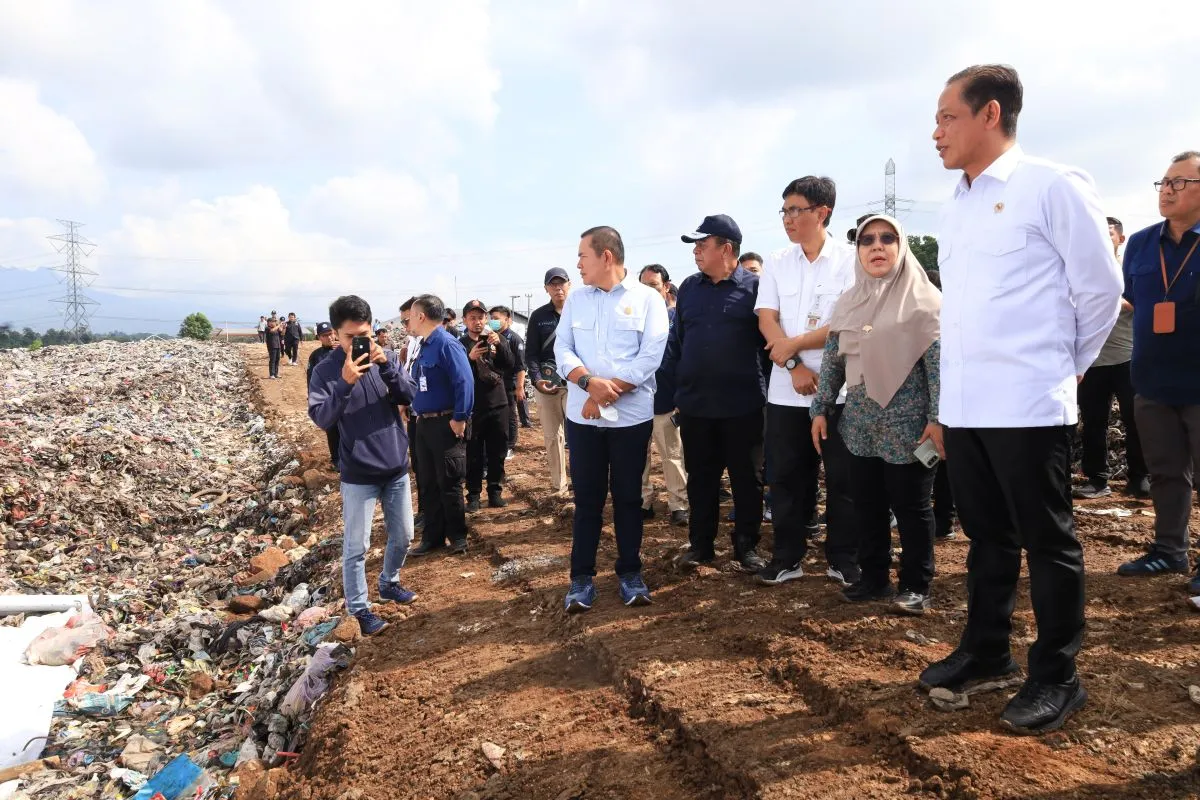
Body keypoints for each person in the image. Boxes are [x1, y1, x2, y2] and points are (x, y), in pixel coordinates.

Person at [919, 64, 1122, 735]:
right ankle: (986, 650)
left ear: (990, 113)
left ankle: (1057, 674)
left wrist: (1062, 370)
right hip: (971, 406)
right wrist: (948, 406)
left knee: (1048, 540)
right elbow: (961, 315)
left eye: (948, 116)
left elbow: (1098, 290)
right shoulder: (958, 202)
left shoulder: (1050, 185)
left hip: (1030, 403)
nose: (936, 131)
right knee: (986, 538)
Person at [811, 215, 943, 615]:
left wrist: (938, 421)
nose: (877, 246)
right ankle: (874, 579)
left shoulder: (927, 302)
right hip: (860, 425)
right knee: (865, 505)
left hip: (910, 428)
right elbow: (833, 363)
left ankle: (916, 584)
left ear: (901, 246)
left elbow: (939, 371)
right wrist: (820, 408)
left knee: (912, 508)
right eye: (867, 240)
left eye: (887, 238)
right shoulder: (849, 302)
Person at [557, 226, 669, 612]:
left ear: (606, 257)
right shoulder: (576, 301)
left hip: (629, 420)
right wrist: (589, 384)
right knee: (587, 500)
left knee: (628, 498)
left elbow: (650, 356)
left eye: (583, 256)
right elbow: (562, 350)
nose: (578, 264)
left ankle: (630, 573)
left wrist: (607, 391)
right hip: (583, 419)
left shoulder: (648, 299)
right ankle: (581, 580)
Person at [755, 176, 858, 587]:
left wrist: (794, 344)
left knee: (844, 479)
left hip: (841, 390)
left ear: (822, 213)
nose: (788, 219)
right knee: (785, 478)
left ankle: (843, 558)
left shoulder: (851, 261)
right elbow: (767, 318)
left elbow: (846, 323)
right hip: (786, 390)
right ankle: (787, 556)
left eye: (796, 210)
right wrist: (795, 362)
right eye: (784, 211)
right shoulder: (779, 261)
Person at [308, 295, 419, 637]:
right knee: (356, 546)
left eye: (365, 335)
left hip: (396, 465)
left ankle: (389, 581)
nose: (359, 343)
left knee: (403, 536)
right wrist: (345, 382)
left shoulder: (383, 359)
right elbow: (321, 417)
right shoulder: (326, 371)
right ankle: (360, 608)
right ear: (336, 336)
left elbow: (409, 394)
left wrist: (386, 365)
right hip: (358, 473)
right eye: (350, 337)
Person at [664, 215, 768, 572]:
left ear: (726, 249)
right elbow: (677, 343)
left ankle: (746, 547)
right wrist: (675, 391)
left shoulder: (756, 288)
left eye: (701, 245)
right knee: (702, 479)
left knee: (747, 481)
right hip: (696, 406)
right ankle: (701, 545)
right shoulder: (690, 288)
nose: (695, 251)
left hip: (744, 406)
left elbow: (769, 347)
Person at [1117, 151, 1200, 591]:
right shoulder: (1142, 243)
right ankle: (1170, 550)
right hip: (1152, 380)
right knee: (1166, 472)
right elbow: (1133, 297)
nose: (1167, 190)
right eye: (1164, 182)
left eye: (1180, 182)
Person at [1074, 217, 1149, 500]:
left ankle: (1140, 477)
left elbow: (1143, 303)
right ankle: (1096, 479)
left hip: (1128, 356)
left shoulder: (1128, 271)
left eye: (1108, 234)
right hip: (1092, 360)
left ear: (1121, 239)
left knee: (1135, 419)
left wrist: (1111, 298)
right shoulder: (1080, 273)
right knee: (1093, 422)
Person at [407, 294, 475, 556]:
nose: (409, 321)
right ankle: (432, 538)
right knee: (428, 482)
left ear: (422, 316)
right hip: (424, 423)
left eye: (412, 315)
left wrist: (460, 418)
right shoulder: (424, 345)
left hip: (446, 422)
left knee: (449, 482)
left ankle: (457, 537)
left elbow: (464, 382)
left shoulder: (447, 344)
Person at [638, 264, 688, 526]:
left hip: (667, 400)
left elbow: (684, 359)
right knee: (638, 457)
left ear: (666, 287)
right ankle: (643, 502)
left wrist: (682, 398)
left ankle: (678, 504)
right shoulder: (633, 318)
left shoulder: (677, 318)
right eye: (643, 286)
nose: (648, 291)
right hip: (636, 402)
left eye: (654, 286)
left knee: (672, 455)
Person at [460, 299, 514, 510]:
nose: (477, 322)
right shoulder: (460, 344)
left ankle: (495, 491)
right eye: (472, 318)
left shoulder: (497, 339)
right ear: (465, 320)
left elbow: (509, 365)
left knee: (497, 451)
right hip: (474, 407)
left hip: (498, 403)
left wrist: (499, 344)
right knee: (473, 453)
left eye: (481, 317)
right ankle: (473, 495)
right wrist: (470, 358)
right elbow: (458, 376)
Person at [525, 268, 572, 496]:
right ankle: (559, 485)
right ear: (546, 288)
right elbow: (531, 353)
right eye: (552, 284)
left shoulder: (579, 311)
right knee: (553, 436)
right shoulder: (539, 316)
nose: (558, 287)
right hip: (548, 383)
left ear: (569, 285)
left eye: (561, 283)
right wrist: (536, 379)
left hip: (576, 382)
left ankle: (583, 483)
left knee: (582, 434)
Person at [489, 305, 528, 456]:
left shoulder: (514, 339)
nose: (494, 322)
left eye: (497, 319)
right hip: (496, 383)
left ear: (508, 320)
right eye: (492, 319)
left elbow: (520, 366)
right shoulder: (492, 337)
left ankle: (510, 445)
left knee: (510, 415)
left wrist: (520, 387)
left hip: (510, 383)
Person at [306, 321, 342, 468]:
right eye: (325, 335)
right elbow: (311, 379)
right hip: (328, 399)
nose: (330, 337)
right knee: (332, 430)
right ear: (319, 337)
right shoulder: (316, 356)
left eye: (332, 333)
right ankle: (337, 460)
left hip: (346, 396)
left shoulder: (344, 350)